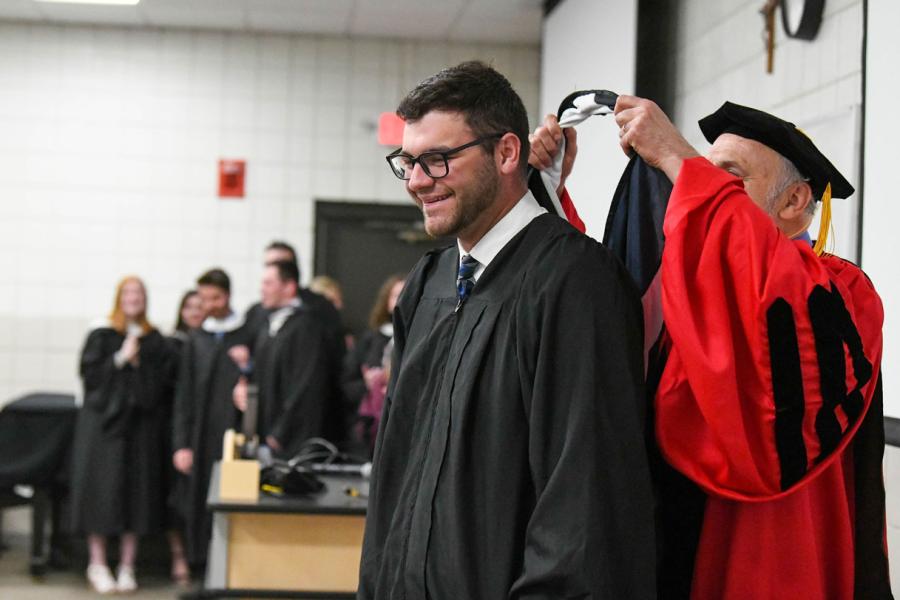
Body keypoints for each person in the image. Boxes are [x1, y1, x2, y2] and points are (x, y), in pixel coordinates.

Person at [536, 98, 891, 598]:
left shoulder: (842, 292)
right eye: (707, 169)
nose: (702, 184)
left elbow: (767, 298)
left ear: (793, 202)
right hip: (667, 538)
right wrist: (545, 194)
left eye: (730, 174)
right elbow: (604, 321)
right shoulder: (692, 282)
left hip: (771, 557)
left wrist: (680, 158)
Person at [358, 61, 655, 599]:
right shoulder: (429, 282)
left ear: (507, 152)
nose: (419, 181)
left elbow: (583, 501)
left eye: (438, 160)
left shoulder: (574, 282)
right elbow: (395, 476)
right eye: (409, 163)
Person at [70, 276, 172, 595]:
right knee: (100, 492)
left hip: (139, 429)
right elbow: (90, 377)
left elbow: (161, 386)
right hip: (103, 429)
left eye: (139, 293)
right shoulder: (101, 333)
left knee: (136, 495)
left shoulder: (154, 339)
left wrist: (139, 363)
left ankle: (128, 565)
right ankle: (97, 563)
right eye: (128, 293)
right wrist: (119, 359)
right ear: (118, 297)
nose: (134, 298)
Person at [171, 269, 249, 568]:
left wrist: (248, 364)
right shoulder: (197, 340)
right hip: (200, 437)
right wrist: (181, 444)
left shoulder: (246, 332)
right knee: (200, 502)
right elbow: (184, 396)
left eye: (214, 298)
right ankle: (202, 568)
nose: (208, 305)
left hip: (234, 434)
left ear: (227, 295)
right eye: (203, 298)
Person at [232, 260, 338, 457]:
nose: (262, 289)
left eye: (268, 283)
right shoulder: (267, 325)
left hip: (289, 440)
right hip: (264, 432)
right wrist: (243, 384)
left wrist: (282, 432)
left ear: (289, 287)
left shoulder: (307, 327)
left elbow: (306, 384)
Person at [161, 290, 204, 586]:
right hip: (173, 428)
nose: (194, 311)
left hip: (204, 429)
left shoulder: (212, 342)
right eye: (188, 306)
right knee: (175, 498)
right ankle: (178, 556)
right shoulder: (171, 344)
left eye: (199, 306)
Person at [342, 274, 404, 453]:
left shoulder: (423, 337)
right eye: (395, 295)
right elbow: (348, 381)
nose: (401, 299)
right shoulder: (371, 339)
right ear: (386, 301)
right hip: (372, 425)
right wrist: (370, 387)